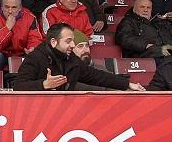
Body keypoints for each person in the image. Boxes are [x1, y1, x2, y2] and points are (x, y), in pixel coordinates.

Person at [13, 22, 144, 91]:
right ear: (53, 42)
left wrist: (127, 84)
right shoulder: (35, 58)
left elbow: (95, 76)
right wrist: (44, 84)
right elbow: (19, 86)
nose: (72, 45)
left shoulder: (71, 59)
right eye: (68, 41)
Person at [0, 0, 43, 67]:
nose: (10, 11)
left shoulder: (29, 17)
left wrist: (32, 48)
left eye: (14, 7)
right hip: (2, 55)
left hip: (22, 54)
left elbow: (35, 39)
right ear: (1, 7)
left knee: (38, 55)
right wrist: (7, 29)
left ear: (20, 8)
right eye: (7, 7)